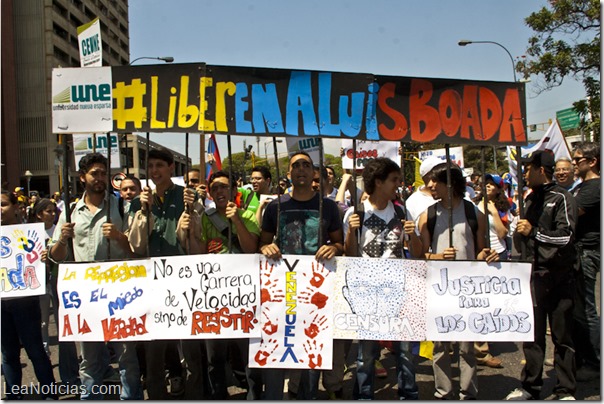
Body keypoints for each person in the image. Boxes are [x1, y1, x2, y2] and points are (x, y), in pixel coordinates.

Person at [48, 152, 142, 400]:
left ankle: (130, 398)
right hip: (86, 296)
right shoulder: (70, 211)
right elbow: (56, 256)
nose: (100, 178)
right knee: (89, 361)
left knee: (126, 357)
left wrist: (120, 237)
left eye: (103, 173)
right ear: (82, 178)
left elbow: (138, 252)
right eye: (94, 174)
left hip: (121, 293)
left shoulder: (122, 206)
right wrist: (62, 239)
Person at [259, 151, 344, 400]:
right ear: (289, 173)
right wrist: (266, 247)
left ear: (314, 173)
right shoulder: (276, 206)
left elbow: (341, 245)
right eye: (296, 165)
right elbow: (262, 243)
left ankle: (306, 395)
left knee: (310, 351)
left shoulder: (328, 206)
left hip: (316, 290)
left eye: (307, 165)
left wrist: (334, 247)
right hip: (281, 289)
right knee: (277, 346)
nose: (302, 169)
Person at [417, 160, 499, 400]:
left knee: (466, 346)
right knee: (440, 345)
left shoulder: (474, 213)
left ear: (450, 185)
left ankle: (468, 392)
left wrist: (489, 255)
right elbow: (421, 254)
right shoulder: (428, 215)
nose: (430, 185)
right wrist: (439, 256)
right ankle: (443, 390)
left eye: (436, 181)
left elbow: (481, 249)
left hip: (467, 290)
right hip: (438, 288)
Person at [342, 157, 423, 400]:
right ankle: (364, 395)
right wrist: (351, 231)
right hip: (366, 291)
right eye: (394, 180)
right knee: (366, 352)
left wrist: (413, 236)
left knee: (405, 350)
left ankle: (408, 392)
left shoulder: (401, 210)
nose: (398, 185)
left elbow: (417, 253)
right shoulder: (355, 213)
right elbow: (350, 255)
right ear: (378, 182)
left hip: (399, 289)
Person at [180, 170, 261, 399]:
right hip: (214, 298)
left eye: (224, 187)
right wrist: (193, 234)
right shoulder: (205, 218)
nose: (219, 191)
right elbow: (198, 254)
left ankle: (254, 396)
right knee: (215, 357)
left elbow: (250, 249)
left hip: (244, 297)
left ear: (234, 191)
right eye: (214, 188)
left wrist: (236, 220)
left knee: (250, 356)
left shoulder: (247, 217)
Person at [127, 147, 201, 399]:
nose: (155, 171)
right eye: (151, 167)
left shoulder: (186, 197)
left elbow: (195, 242)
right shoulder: (139, 201)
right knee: (154, 347)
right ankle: (158, 394)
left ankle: (195, 394)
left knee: (190, 345)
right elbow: (136, 245)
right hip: (151, 282)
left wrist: (191, 216)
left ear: (171, 168)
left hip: (183, 280)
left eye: (160, 165)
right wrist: (144, 212)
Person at [505, 150, 577, 400]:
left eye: (528, 168)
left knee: (562, 336)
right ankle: (530, 387)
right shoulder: (530, 199)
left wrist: (533, 232)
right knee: (532, 335)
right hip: (532, 277)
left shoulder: (562, 198)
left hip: (559, 277)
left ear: (540, 170)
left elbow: (566, 236)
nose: (524, 173)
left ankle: (566, 389)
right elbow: (523, 237)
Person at [1, 191, 58, 400]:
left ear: (16, 207)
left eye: (3, 204)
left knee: (35, 350)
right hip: (1, 305)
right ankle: (13, 394)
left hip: (26, 301)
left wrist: (46, 257)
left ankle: (50, 392)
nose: (0, 209)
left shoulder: (31, 233)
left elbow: (48, 264)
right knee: (8, 354)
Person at [570, 142, 600, 382]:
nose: (573, 164)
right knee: (579, 308)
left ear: (592, 161)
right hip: (579, 252)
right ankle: (581, 357)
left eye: (578, 160)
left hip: (587, 253)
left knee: (586, 309)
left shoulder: (594, 187)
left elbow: (570, 213)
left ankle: (594, 362)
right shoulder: (581, 187)